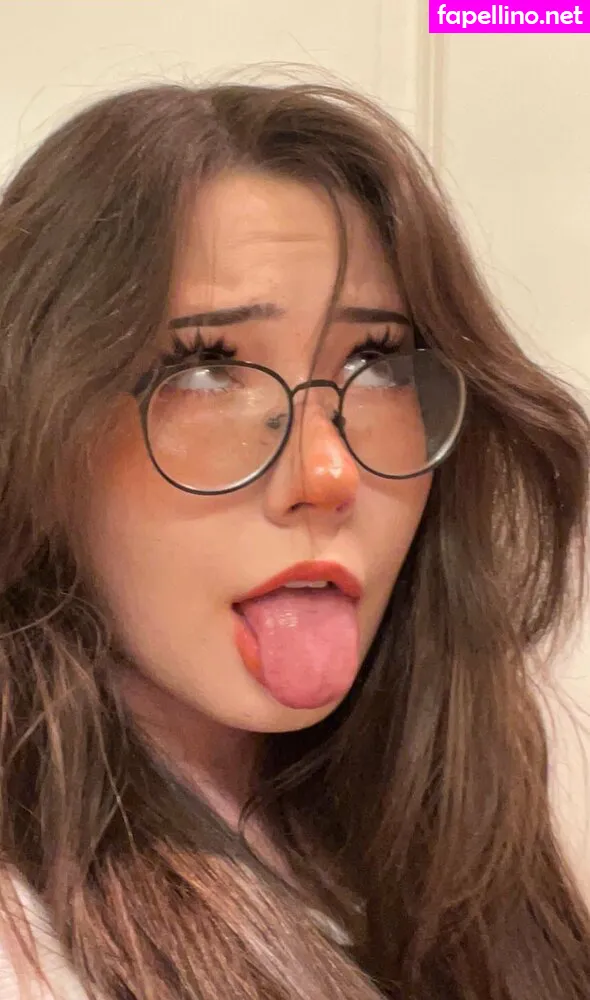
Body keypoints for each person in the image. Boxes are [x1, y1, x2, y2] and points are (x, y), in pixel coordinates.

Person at [0, 77, 588, 1000]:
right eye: (205, 368)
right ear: (36, 430)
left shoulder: (459, 829)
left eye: (374, 361)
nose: (328, 473)